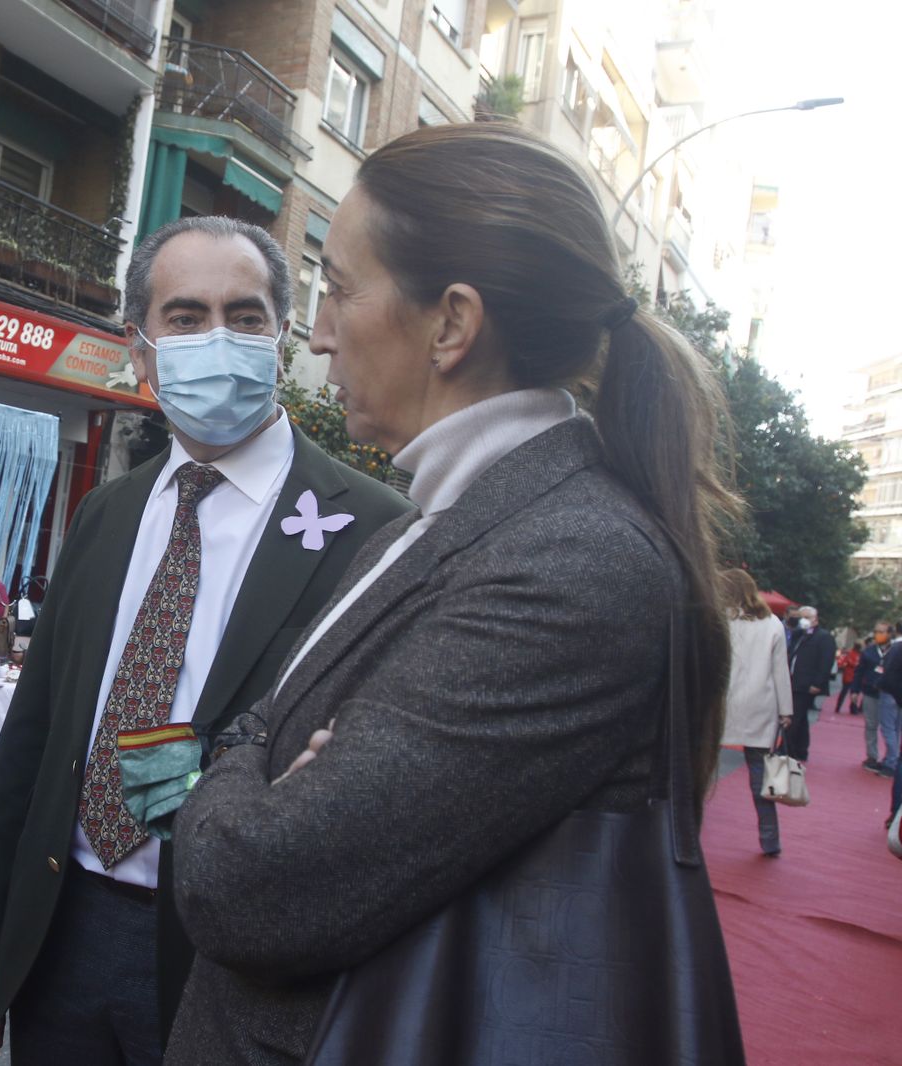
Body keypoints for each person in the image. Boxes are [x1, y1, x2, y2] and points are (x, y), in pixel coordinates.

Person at [164, 123, 743, 1064]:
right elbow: (265, 729)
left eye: (340, 290)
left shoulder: (573, 566)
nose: (315, 335)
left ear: (452, 324)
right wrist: (266, 757)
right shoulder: (425, 524)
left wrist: (243, 765)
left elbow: (249, 885)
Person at [0, 216, 411, 1066]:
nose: (219, 339)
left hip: (231, 959)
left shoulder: (374, 530)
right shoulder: (106, 513)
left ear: (281, 338)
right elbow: (36, 738)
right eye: (187, 317)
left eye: (245, 315)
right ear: (141, 350)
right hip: (62, 932)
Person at [719, 569, 794, 855]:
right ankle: (769, 839)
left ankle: (687, 833)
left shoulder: (719, 621)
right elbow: (780, 671)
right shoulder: (772, 624)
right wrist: (786, 710)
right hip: (761, 706)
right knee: (760, 778)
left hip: (723, 703)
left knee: (701, 771)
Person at [786, 606, 835, 761]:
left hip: (807, 684)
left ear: (815, 619)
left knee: (794, 717)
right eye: (801, 617)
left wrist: (818, 683)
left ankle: (786, 749)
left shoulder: (824, 637)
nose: (803, 620)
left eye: (807, 617)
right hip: (793, 681)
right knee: (800, 719)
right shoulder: (799, 634)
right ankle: (800, 749)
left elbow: (826, 662)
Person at [868, 622, 902, 778]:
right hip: (897, 694)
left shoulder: (896, 648)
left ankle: (891, 762)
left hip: (890, 693)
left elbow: (888, 673)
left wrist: (880, 685)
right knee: (895, 729)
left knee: (888, 728)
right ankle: (891, 759)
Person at [835, 641, 861, 713]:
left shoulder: (859, 654)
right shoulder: (850, 653)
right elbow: (849, 662)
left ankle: (853, 708)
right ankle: (838, 707)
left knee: (854, 693)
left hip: (855, 676)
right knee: (844, 692)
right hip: (849, 675)